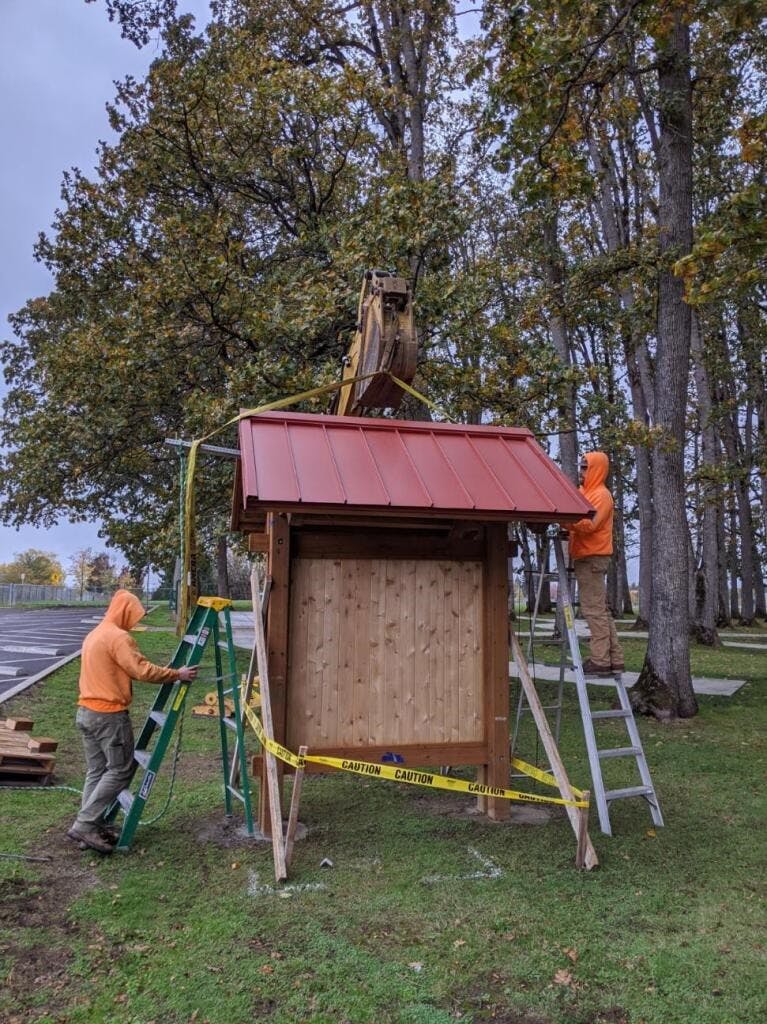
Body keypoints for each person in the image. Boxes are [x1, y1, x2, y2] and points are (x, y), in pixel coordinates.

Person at [66, 589, 198, 854]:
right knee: (120, 770)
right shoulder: (118, 637)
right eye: (134, 615)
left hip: (86, 712)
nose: (135, 622)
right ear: (125, 611)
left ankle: (90, 824)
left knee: (97, 771)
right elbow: (141, 670)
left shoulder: (95, 634)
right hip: (107, 716)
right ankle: (85, 824)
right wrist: (177, 674)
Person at [566, 451, 625, 677]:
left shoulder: (601, 496)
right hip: (586, 556)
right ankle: (614, 658)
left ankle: (600, 660)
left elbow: (589, 525)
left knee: (593, 610)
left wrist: (565, 521)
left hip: (593, 557)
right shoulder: (586, 493)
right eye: (580, 467)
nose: (581, 472)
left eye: (585, 468)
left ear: (596, 469)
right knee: (601, 610)